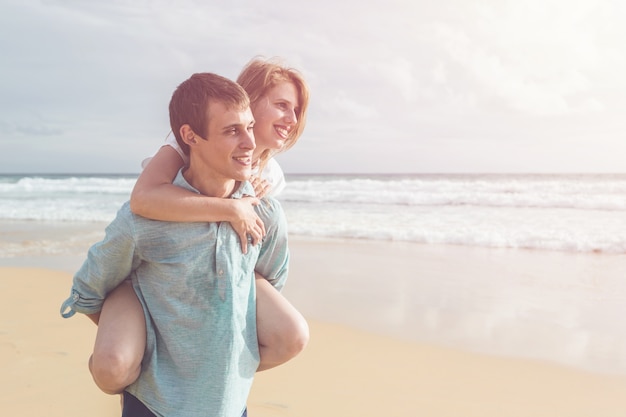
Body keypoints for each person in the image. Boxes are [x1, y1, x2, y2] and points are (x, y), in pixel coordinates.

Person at [61, 72, 289, 417]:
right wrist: (149, 346)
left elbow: (272, 282)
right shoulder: (146, 220)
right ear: (190, 137)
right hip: (153, 406)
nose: (250, 142)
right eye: (231, 130)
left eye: (250, 127)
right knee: (112, 365)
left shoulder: (266, 213)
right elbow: (89, 291)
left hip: (227, 406)